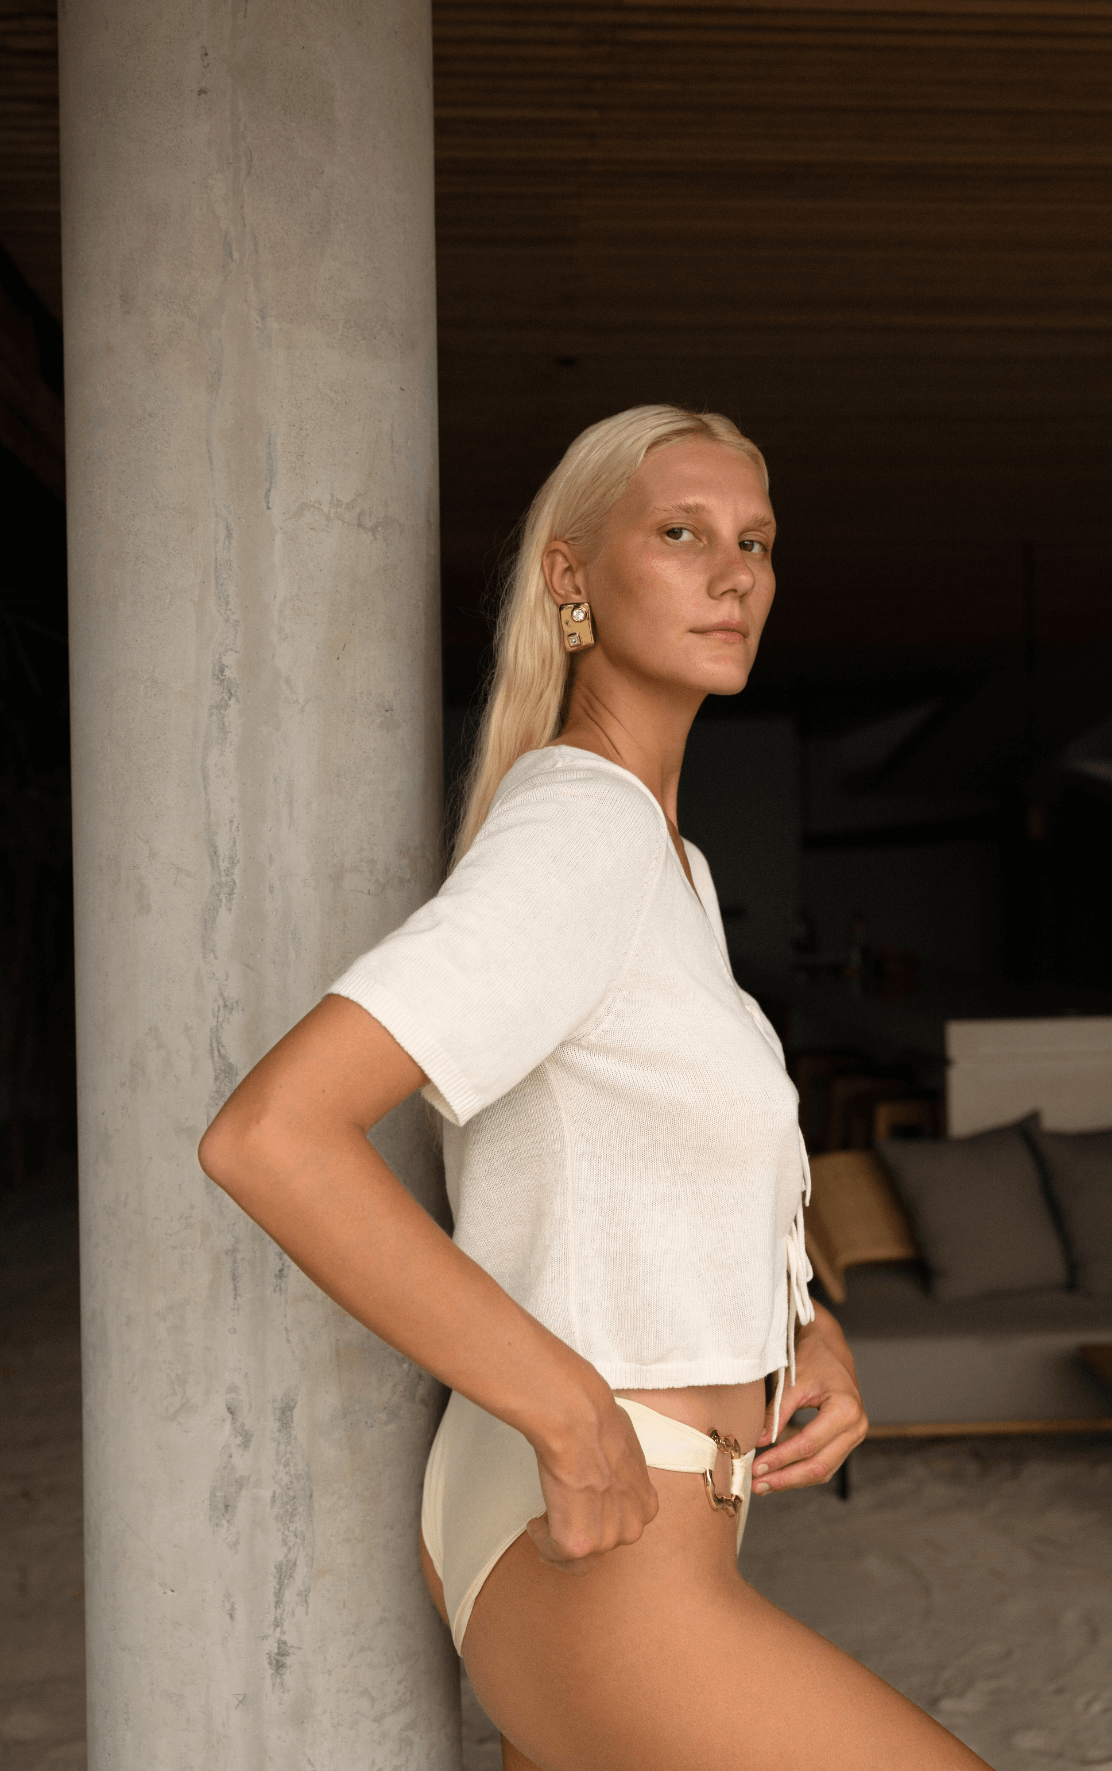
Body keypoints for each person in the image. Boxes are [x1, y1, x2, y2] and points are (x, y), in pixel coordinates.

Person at [199, 405, 992, 1771]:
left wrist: (805, 1327)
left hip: (642, 1518)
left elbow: (656, 1164)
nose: (734, 570)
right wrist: (566, 1412)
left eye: (755, 541)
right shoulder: (580, 829)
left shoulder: (665, 862)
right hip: (602, 1531)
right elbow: (273, 1134)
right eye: (681, 532)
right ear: (570, 577)